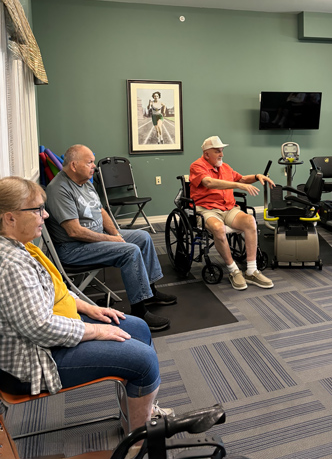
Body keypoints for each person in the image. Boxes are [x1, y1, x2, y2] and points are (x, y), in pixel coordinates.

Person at [0, 176, 174, 435]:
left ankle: (137, 415)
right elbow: (40, 327)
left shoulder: (19, 247)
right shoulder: (10, 263)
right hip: (34, 360)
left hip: (48, 338)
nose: (45, 215)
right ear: (10, 218)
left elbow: (52, 292)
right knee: (144, 360)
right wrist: (95, 331)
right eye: (37, 209)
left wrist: (88, 308)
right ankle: (138, 442)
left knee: (137, 327)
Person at [44, 145, 174, 331]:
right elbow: (74, 232)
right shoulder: (59, 189)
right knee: (130, 251)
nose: (94, 166)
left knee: (143, 237)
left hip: (94, 238)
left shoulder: (85, 181)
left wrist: (115, 234)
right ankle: (139, 310)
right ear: (73, 165)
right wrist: (111, 240)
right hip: (74, 248)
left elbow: (101, 210)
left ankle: (150, 292)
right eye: (89, 162)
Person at [189, 136, 275, 290]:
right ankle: (233, 270)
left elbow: (241, 179)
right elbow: (208, 182)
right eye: (217, 151)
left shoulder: (225, 167)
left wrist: (257, 177)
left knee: (250, 221)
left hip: (228, 208)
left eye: (222, 151)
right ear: (207, 154)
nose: (221, 154)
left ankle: (251, 270)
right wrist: (237, 185)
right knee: (218, 228)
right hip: (207, 210)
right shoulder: (197, 166)